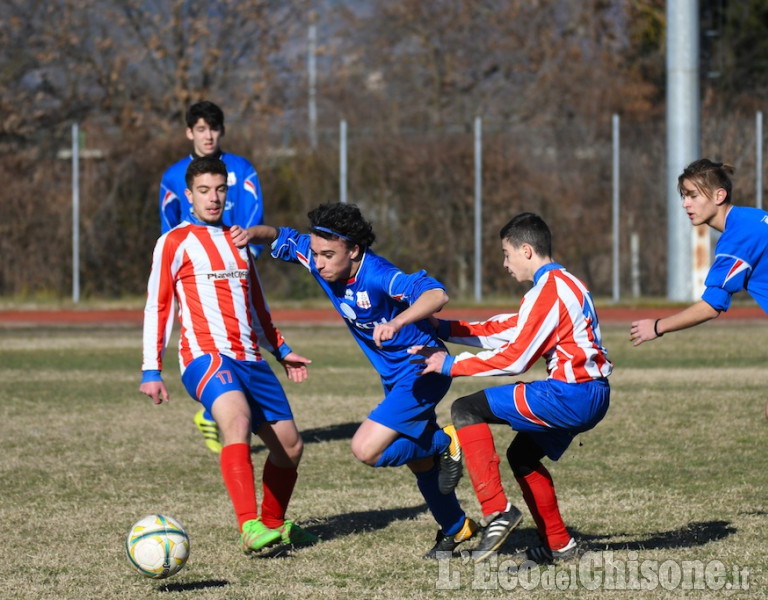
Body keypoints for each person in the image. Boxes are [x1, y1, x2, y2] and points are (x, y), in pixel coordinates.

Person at [231, 203, 477, 559]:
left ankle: (443, 442)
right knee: (418, 463)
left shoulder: (378, 274)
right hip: (393, 377)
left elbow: (437, 295)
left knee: (366, 449)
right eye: (316, 254)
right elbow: (282, 236)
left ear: (355, 250)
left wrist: (398, 322)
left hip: (422, 369)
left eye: (329, 255)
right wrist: (251, 234)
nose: (319, 263)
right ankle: (457, 527)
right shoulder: (319, 257)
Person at [409, 212, 613, 565]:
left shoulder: (549, 291)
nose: (505, 263)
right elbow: (508, 328)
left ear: (527, 250)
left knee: (465, 409)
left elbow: (516, 358)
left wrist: (451, 365)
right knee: (522, 457)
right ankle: (561, 547)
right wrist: (444, 327)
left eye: (506, 254)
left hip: (571, 394)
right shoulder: (566, 284)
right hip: (592, 392)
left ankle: (497, 511)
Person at [140, 156, 317, 554]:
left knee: (290, 448)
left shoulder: (241, 243)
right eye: (204, 190)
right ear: (189, 195)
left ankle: (274, 524)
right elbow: (159, 306)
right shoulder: (175, 242)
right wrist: (152, 369)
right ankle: (248, 527)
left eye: (220, 190)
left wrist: (282, 350)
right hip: (205, 356)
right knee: (235, 420)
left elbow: (257, 307)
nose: (213, 198)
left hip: (251, 358)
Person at [159, 100, 265, 454]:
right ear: (190, 132)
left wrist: (249, 255)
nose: (208, 136)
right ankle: (217, 409)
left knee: (242, 337)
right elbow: (168, 222)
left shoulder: (241, 168)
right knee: (205, 338)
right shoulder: (174, 176)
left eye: (214, 129)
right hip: (194, 273)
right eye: (201, 129)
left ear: (222, 131)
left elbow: (253, 214)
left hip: (237, 266)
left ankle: (216, 413)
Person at [630, 158, 768, 419]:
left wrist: (658, 327)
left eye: (692, 195)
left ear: (719, 195)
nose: (685, 204)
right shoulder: (752, 216)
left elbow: (711, 305)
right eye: (684, 196)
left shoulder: (737, 237)